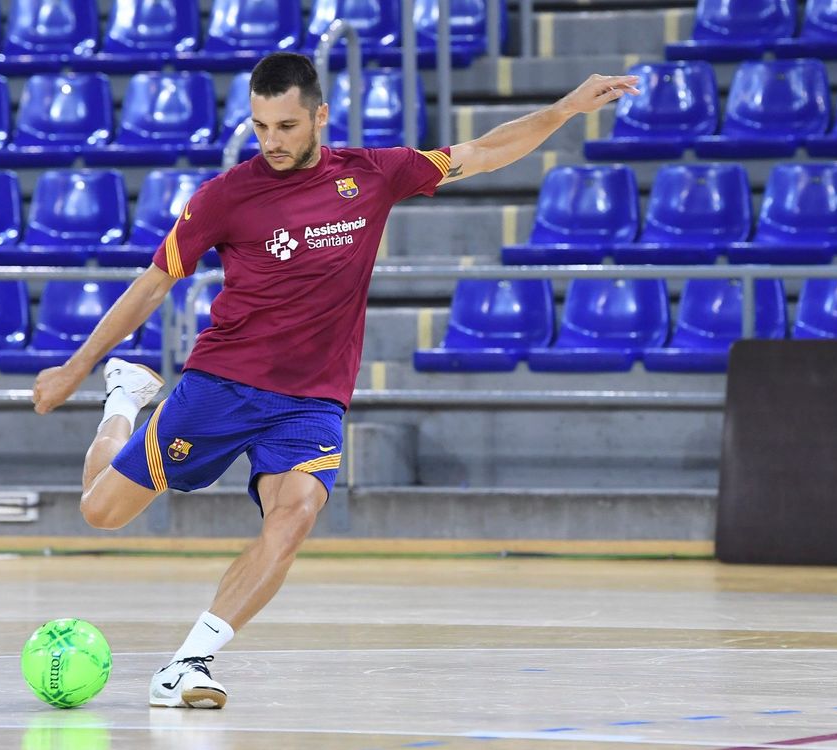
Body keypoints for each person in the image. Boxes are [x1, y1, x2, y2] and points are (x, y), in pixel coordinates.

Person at [31, 52, 638, 709]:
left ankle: (188, 664)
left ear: (320, 116)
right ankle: (124, 397)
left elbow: (487, 151)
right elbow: (154, 284)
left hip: (312, 400)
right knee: (102, 511)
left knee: (294, 516)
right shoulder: (227, 196)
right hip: (223, 384)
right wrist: (76, 366)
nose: (272, 141)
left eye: (287, 125)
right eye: (261, 126)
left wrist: (566, 108)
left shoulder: (372, 175)